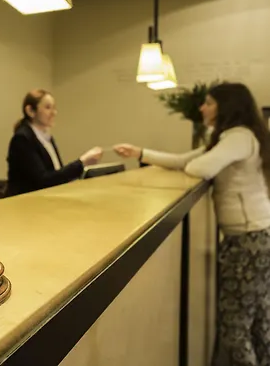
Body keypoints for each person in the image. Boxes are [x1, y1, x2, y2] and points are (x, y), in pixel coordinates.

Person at [113, 82, 270, 366]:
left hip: (248, 240)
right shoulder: (234, 137)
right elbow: (181, 160)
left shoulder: (238, 137)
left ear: (226, 107)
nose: (202, 108)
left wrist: (197, 159)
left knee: (235, 328)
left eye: (209, 103)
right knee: (258, 319)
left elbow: (200, 167)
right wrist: (140, 153)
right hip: (254, 237)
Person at [6, 89, 103, 197]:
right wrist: (81, 163)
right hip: (25, 202)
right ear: (30, 111)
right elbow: (43, 180)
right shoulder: (22, 139)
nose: (54, 113)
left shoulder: (47, 137)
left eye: (54, 108)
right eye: (48, 107)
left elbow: (56, 173)